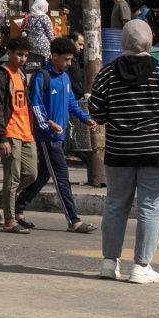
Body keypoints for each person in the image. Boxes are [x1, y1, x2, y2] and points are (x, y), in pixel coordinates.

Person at [86, 16, 159, 283]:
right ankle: (141, 266)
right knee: (151, 208)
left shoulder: (107, 72)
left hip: (119, 151)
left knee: (115, 205)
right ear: (149, 40)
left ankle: (110, 263)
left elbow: (96, 110)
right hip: (156, 151)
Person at [14, 37, 95, 234]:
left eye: (71, 60)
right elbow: (36, 105)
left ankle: (17, 207)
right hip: (48, 137)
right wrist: (48, 126)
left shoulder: (64, 77)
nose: (69, 63)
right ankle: (73, 220)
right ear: (55, 56)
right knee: (62, 178)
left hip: (59, 135)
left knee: (43, 175)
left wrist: (86, 119)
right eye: (66, 59)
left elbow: (71, 104)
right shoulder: (43, 76)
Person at [0, 37, 35, 232]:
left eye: (26, 56)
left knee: (31, 174)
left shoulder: (22, 74)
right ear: (9, 53)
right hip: (10, 131)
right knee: (12, 177)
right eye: (19, 54)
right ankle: (10, 221)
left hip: (26, 131)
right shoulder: (1, 75)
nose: (22, 59)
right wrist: (1, 137)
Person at [23, 0, 54, 65]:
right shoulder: (45, 18)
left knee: (33, 63)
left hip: (31, 44)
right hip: (43, 46)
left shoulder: (29, 18)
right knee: (44, 64)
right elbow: (50, 34)